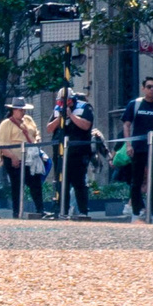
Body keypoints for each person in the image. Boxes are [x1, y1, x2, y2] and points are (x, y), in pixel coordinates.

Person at [120, 77, 153, 221]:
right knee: (137, 181)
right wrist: (128, 144)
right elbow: (126, 124)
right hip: (138, 148)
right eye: (149, 86)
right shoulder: (135, 104)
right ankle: (136, 211)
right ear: (143, 88)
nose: (152, 89)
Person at [51, 87, 95, 218]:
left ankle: (83, 211)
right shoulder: (57, 109)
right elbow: (49, 128)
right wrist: (59, 118)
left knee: (79, 182)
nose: (64, 104)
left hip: (79, 152)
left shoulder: (84, 108)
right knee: (61, 182)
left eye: (67, 101)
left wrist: (70, 115)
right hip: (61, 153)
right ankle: (62, 211)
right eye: (61, 102)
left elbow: (86, 125)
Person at [0, 99, 40, 218]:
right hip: (14, 159)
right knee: (16, 185)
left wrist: (36, 142)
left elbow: (36, 133)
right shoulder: (6, 124)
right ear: (13, 110)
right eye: (20, 110)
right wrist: (13, 157)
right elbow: (2, 144)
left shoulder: (29, 120)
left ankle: (40, 209)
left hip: (30, 158)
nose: (23, 112)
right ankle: (16, 211)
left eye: (23, 109)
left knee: (35, 183)